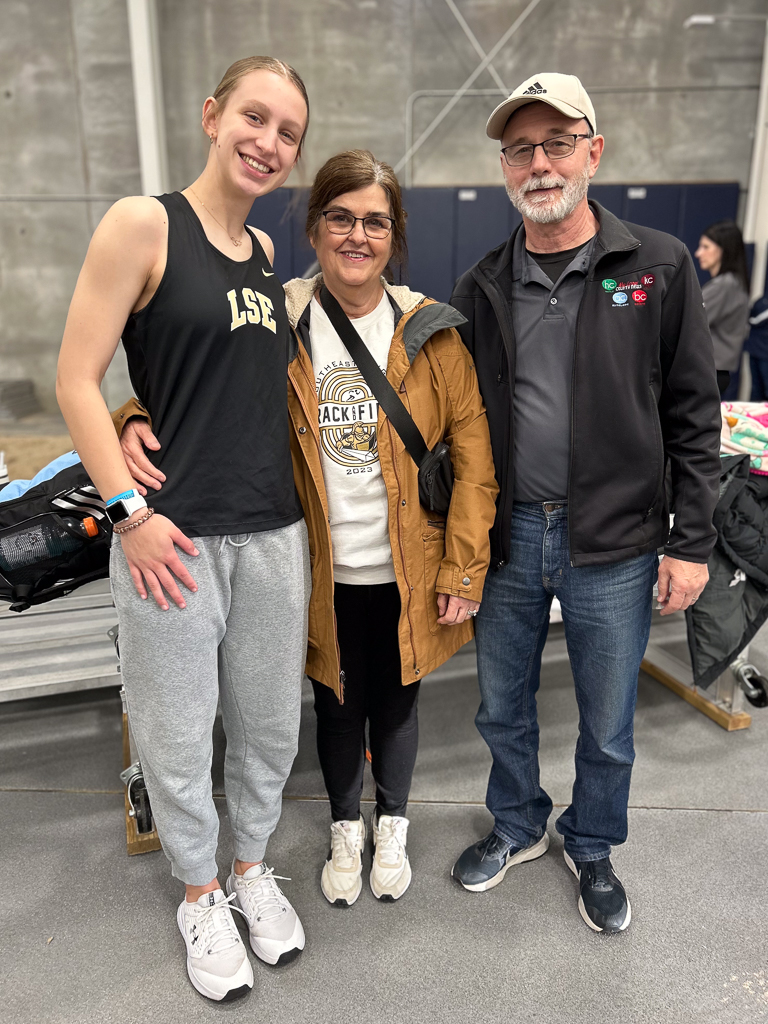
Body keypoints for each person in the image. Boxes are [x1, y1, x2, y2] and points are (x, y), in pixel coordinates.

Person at [118, 149, 498, 908]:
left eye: (375, 222)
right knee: (335, 704)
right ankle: (343, 826)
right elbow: (197, 388)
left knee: (397, 701)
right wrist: (132, 416)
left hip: (407, 565)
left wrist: (463, 569)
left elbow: (475, 459)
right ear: (316, 227)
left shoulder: (433, 335)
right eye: (341, 218)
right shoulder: (281, 320)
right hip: (315, 563)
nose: (357, 235)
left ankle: (392, 820)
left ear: (394, 236)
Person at [56, 57, 312, 1003]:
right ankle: (200, 892)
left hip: (274, 533)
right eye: (254, 116)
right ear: (212, 115)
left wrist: (138, 409)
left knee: (266, 733)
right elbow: (75, 377)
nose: (268, 142)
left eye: (288, 132)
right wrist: (129, 511)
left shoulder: (264, 259)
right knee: (174, 733)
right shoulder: (142, 223)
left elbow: (205, 385)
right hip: (176, 538)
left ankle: (250, 869)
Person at [448, 73, 722, 933]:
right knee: (501, 703)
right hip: (511, 536)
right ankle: (519, 822)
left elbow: (692, 412)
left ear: (593, 152)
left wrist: (694, 543)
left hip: (618, 541)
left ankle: (593, 843)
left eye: (557, 143)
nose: (539, 162)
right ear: (504, 169)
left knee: (607, 720)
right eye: (521, 148)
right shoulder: (482, 283)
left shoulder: (659, 265)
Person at [695, 221, 750, 398]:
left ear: (724, 250)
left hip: (711, 371)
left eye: (706, 247)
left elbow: (691, 321)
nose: (698, 253)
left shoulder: (724, 286)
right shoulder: (734, 283)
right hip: (718, 371)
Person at [744, 293, 768, 400]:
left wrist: (747, 319)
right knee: (755, 389)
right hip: (755, 349)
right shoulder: (763, 298)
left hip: (765, 354)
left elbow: (755, 319)